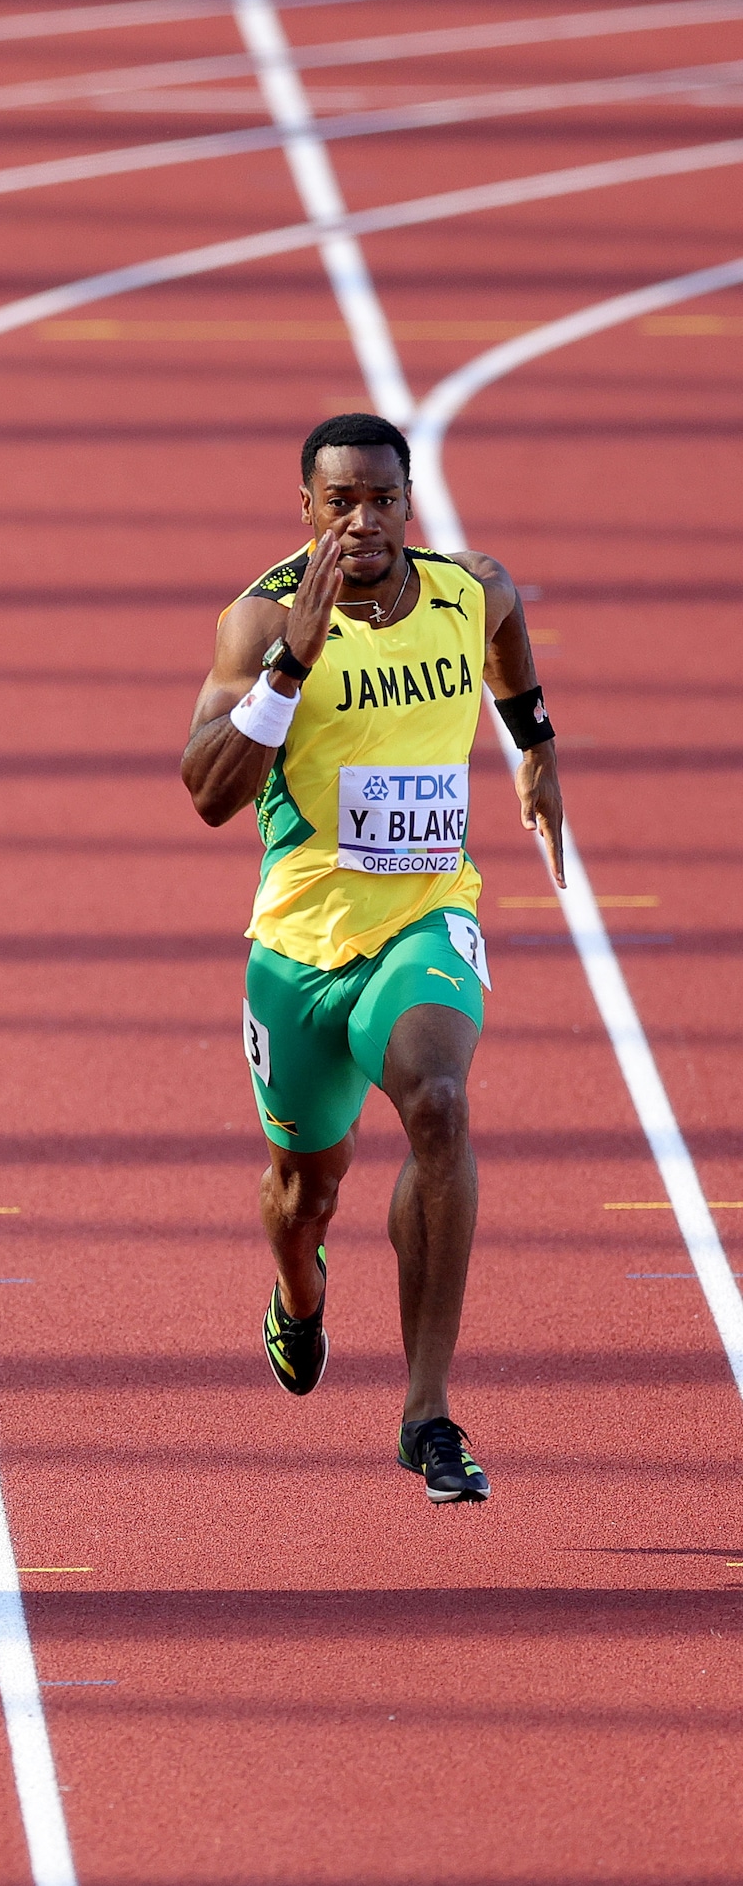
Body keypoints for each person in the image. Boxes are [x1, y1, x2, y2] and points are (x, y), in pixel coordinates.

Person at [182, 410, 566, 1502]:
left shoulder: (463, 590)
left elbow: (505, 627)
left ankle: (426, 1410)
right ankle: (295, 1295)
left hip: (423, 921)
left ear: (408, 502)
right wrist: (286, 669)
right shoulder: (256, 619)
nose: (362, 520)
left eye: (381, 498)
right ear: (303, 509)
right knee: (302, 1194)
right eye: (338, 500)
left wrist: (531, 738)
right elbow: (206, 792)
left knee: (438, 1102)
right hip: (297, 948)